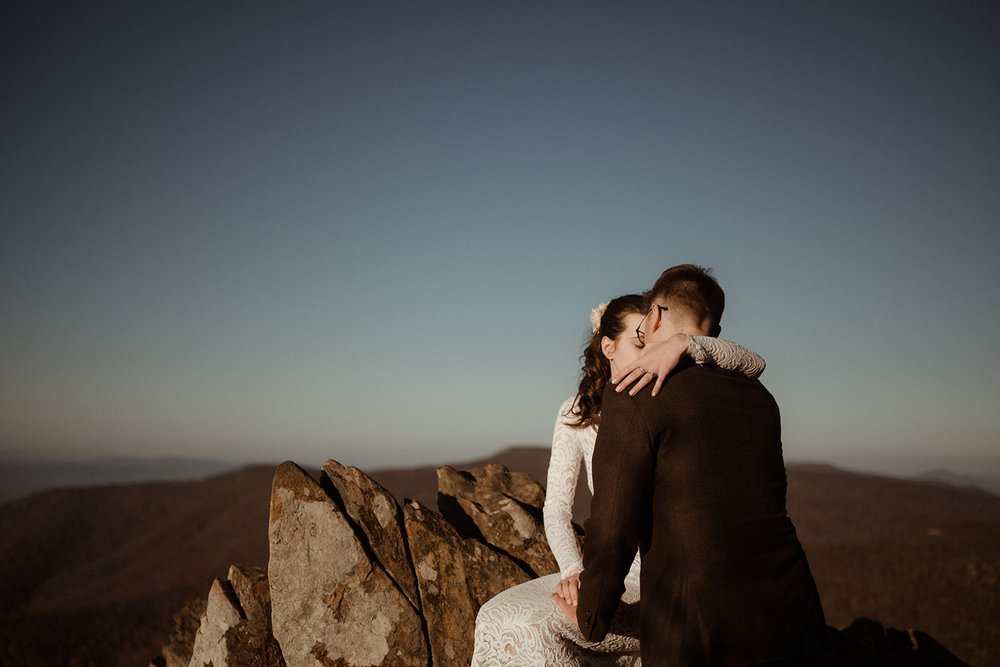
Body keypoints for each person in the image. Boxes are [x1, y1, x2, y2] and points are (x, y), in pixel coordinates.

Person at [471, 293, 767, 665]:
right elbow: (557, 508)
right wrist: (574, 573)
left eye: (654, 343)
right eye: (639, 343)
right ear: (608, 348)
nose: (649, 353)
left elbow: (754, 362)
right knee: (497, 616)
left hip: (664, 581)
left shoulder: (670, 397)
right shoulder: (575, 412)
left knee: (532, 625)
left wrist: (684, 342)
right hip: (602, 576)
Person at [561, 265, 826, 667]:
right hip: (792, 612)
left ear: (654, 317)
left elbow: (613, 523)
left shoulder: (635, 392)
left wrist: (590, 615)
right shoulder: (760, 398)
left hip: (699, 629)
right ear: (714, 336)